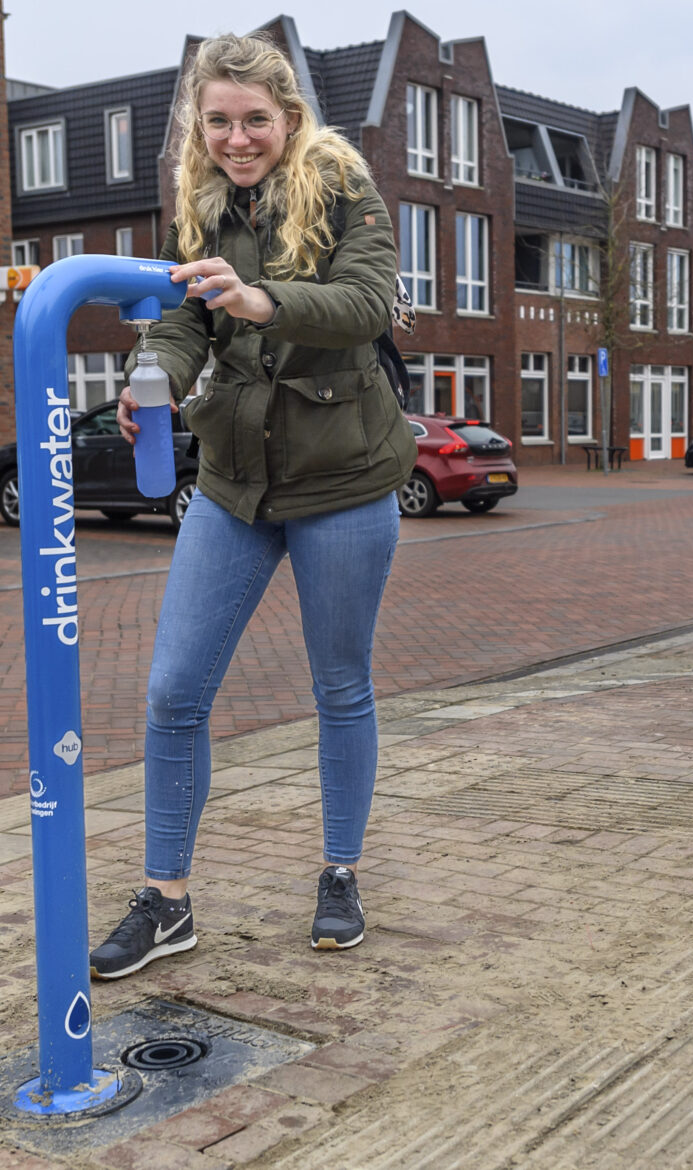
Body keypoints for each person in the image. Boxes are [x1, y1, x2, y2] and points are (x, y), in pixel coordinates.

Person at [88, 33, 416, 979]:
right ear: (202, 122)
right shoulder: (197, 203)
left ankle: (340, 873)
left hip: (343, 477)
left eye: (255, 121)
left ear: (290, 118)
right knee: (172, 690)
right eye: (220, 120)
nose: (238, 139)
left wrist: (264, 299)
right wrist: (153, 376)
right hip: (234, 482)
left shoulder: (346, 190)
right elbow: (185, 318)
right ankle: (167, 900)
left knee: (339, 685)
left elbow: (365, 302)